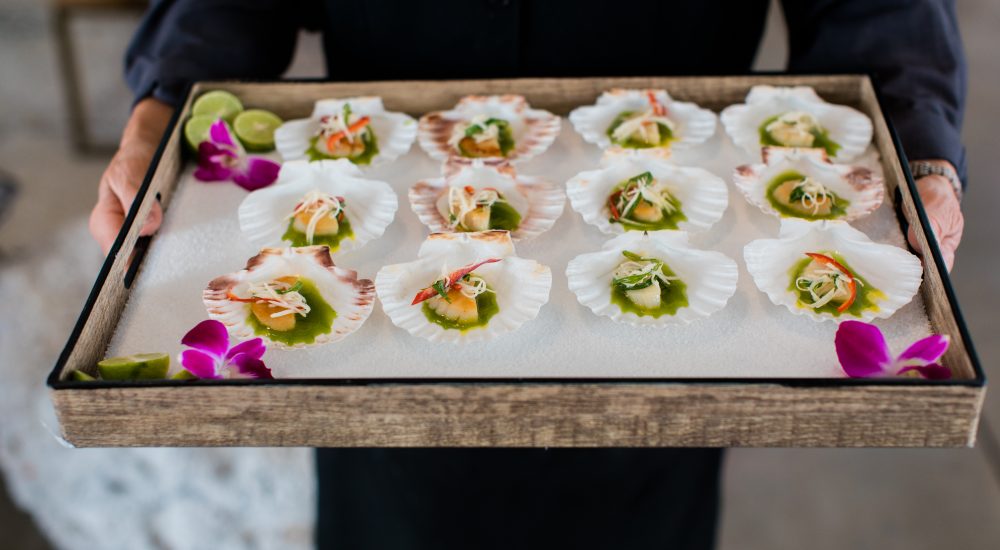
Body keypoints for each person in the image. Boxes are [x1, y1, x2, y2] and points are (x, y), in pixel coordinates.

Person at [89, 1, 967, 548]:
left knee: (641, 497)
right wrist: (167, 100)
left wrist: (916, 149)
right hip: (389, 260)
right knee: (401, 508)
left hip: (659, 307)